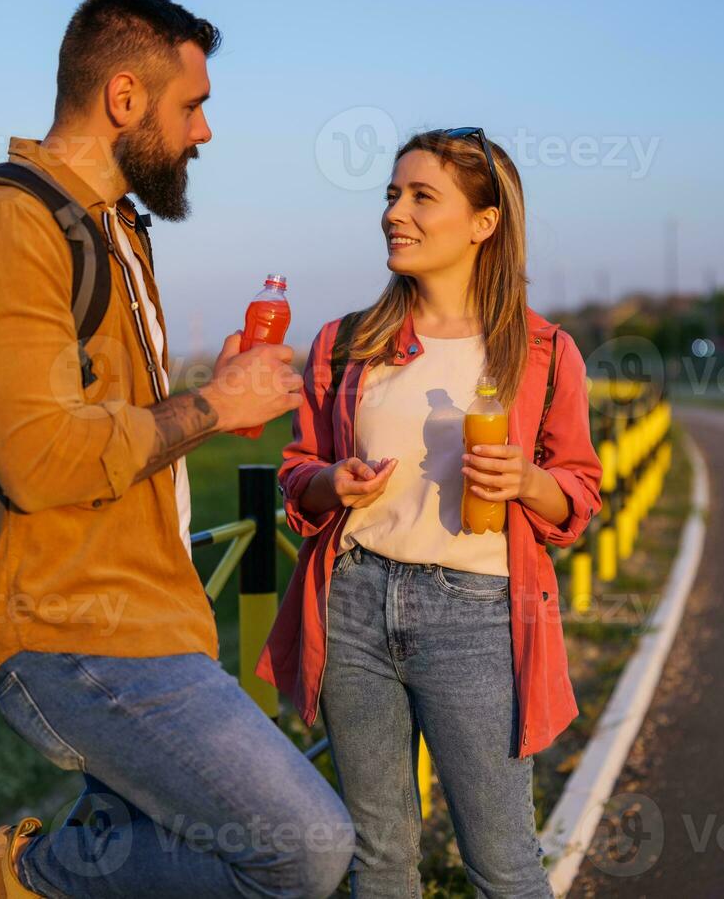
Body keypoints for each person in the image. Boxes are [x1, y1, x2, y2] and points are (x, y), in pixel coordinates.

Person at [0, 0, 353, 898]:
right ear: (123, 98)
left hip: (156, 616)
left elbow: (111, 438)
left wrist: (204, 396)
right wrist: (212, 410)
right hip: (71, 633)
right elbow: (41, 462)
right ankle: (12, 877)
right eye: (191, 106)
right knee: (305, 847)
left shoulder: (114, 233)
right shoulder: (6, 228)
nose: (204, 133)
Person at [257, 128, 604, 897]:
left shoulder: (543, 353)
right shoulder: (347, 343)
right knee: (378, 858)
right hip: (353, 603)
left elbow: (577, 493)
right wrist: (329, 483)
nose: (395, 213)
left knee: (503, 860)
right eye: (391, 194)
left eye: (421, 196)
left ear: (484, 223)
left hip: (477, 615)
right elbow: (296, 476)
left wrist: (526, 481)